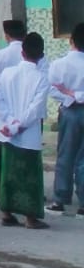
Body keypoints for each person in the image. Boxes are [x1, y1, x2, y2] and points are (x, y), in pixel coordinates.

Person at [0, 33, 51, 230]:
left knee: (8, 173)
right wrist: (18, 125)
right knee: (30, 176)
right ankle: (30, 218)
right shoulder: (41, 79)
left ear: (22, 52)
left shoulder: (7, 73)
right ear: (41, 55)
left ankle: (6, 213)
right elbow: (35, 110)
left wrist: (10, 122)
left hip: (8, 132)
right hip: (27, 134)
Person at [49, 23, 84, 215]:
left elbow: (53, 89)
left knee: (65, 155)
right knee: (83, 158)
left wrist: (70, 96)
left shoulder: (59, 64)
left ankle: (60, 200)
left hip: (69, 112)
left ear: (71, 41)